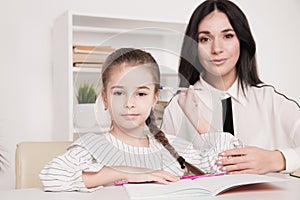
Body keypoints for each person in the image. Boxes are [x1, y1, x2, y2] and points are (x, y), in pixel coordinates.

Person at [40, 48, 237, 192]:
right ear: (105, 98)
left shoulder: (173, 148)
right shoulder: (93, 146)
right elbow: (53, 177)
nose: (129, 103)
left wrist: (198, 119)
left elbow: (228, 161)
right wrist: (126, 172)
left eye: (141, 94)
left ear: (154, 98)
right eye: (119, 93)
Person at [161, 0, 300, 175]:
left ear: (242, 41)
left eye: (227, 36)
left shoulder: (269, 100)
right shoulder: (177, 108)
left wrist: (276, 159)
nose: (216, 48)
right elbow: (164, 170)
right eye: (205, 39)